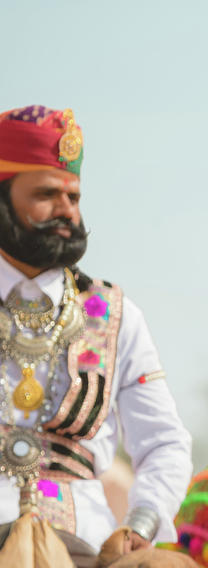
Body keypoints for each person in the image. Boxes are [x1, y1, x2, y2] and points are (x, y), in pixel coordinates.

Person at [0, 105, 193, 563]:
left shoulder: (111, 314)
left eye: (74, 196)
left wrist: (142, 523)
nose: (67, 211)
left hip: (83, 545)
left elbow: (164, 442)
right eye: (47, 194)